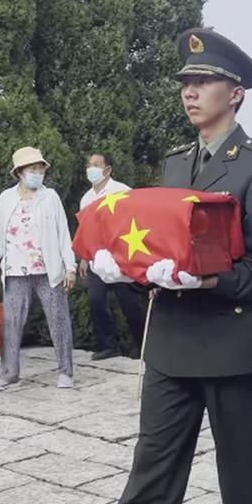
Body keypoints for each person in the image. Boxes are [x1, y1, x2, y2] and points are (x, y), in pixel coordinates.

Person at [66, 28, 252, 504]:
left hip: (228, 341)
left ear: (235, 93)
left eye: (203, 82)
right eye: (186, 84)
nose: (191, 93)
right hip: (169, 343)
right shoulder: (172, 164)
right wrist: (131, 273)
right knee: (151, 470)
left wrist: (202, 278)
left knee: (239, 467)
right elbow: (156, 251)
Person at [0, 147, 76, 391]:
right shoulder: (6, 198)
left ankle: (65, 372)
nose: (38, 173)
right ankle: (9, 374)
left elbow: (63, 234)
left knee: (58, 320)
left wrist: (70, 267)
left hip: (48, 270)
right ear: (19, 173)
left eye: (40, 169)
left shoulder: (51, 197)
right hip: (15, 271)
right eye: (32, 169)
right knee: (12, 323)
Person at [78, 152, 146, 360]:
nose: (92, 168)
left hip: (119, 258)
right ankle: (107, 345)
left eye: (97, 165)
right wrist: (83, 257)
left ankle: (142, 345)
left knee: (130, 303)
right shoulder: (87, 198)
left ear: (107, 170)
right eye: (90, 164)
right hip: (97, 259)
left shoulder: (122, 191)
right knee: (96, 300)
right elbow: (84, 231)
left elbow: (136, 221)